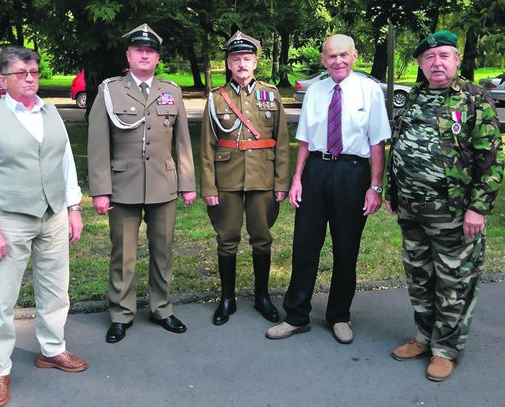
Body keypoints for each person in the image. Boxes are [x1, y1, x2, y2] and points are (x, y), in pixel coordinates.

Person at [0, 46, 88, 407]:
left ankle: (51, 350)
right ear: (3, 80)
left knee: (55, 291)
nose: (30, 78)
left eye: (34, 71)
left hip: (52, 215)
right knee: (2, 301)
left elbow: (65, 163)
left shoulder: (51, 113)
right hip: (8, 218)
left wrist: (73, 208)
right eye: (21, 73)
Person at [385, 31, 503, 381]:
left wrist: (478, 208)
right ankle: (424, 336)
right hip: (412, 210)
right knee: (420, 277)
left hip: (453, 211)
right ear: (421, 64)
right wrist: (393, 191)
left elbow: (491, 159)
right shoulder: (416, 96)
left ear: (455, 59)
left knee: (454, 281)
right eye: (430, 57)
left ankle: (445, 349)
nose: (437, 63)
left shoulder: (473, 99)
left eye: (444, 56)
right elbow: (400, 145)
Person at [266, 34, 391, 343]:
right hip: (317, 170)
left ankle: (339, 315)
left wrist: (375, 186)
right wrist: (297, 179)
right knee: (305, 243)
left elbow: (378, 143)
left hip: (353, 172)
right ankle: (296, 315)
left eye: (343, 55)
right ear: (323, 59)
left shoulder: (371, 90)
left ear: (355, 55)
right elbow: (305, 140)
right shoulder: (316, 92)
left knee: (346, 247)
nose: (338, 61)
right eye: (331, 56)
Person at [88, 23, 196, 343]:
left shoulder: (171, 90)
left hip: (163, 184)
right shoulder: (110, 90)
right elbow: (97, 144)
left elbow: (182, 142)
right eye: (139, 50)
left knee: (163, 251)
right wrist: (101, 190)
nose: (144, 55)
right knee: (124, 254)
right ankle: (121, 313)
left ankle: (162, 308)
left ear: (157, 57)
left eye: (150, 51)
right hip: (123, 187)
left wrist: (187, 183)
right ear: (129, 55)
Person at [200, 31, 290, 325]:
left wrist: (281, 183)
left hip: (263, 178)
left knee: (262, 239)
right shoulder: (215, 98)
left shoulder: (271, 94)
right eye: (236, 59)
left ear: (255, 62)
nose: (241, 63)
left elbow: (282, 142)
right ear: (228, 63)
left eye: (247, 58)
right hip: (226, 179)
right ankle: (227, 299)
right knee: (227, 239)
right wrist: (209, 186)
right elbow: (206, 147)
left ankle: (262, 296)